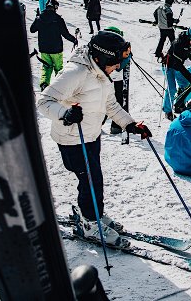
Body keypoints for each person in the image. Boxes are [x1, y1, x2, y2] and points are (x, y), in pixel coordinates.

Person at [37, 31, 151, 247]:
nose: (118, 67)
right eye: (116, 63)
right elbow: (44, 101)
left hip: (91, 136)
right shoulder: (75, 73)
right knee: (90, 180)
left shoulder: (101, 75)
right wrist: (65, 114)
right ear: (101, 57)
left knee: (93, 179)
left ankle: (93, 214)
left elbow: (111, 105)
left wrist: (130, 124)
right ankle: (90, 223)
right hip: (72, 138)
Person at [30, 0, 78, 91]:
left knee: (46, 67)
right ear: (55, 7)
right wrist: (74, 40)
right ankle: (59, 87)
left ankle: (44, 84)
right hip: (56, 49)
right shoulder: (58, 19)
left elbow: (32, 30)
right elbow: (65, 34)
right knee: (58, 68)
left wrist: (37, 18)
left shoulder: (40, 18)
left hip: (44, 48)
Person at [162, 26, 191, 120]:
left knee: (185, 85)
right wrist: (190, 77)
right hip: (169, 66)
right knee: (171, 89)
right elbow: (178, 65)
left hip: (178, 66)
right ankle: (168, 111)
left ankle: (179, 105)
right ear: (189, 37)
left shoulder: (189, 43)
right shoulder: (178, 44)